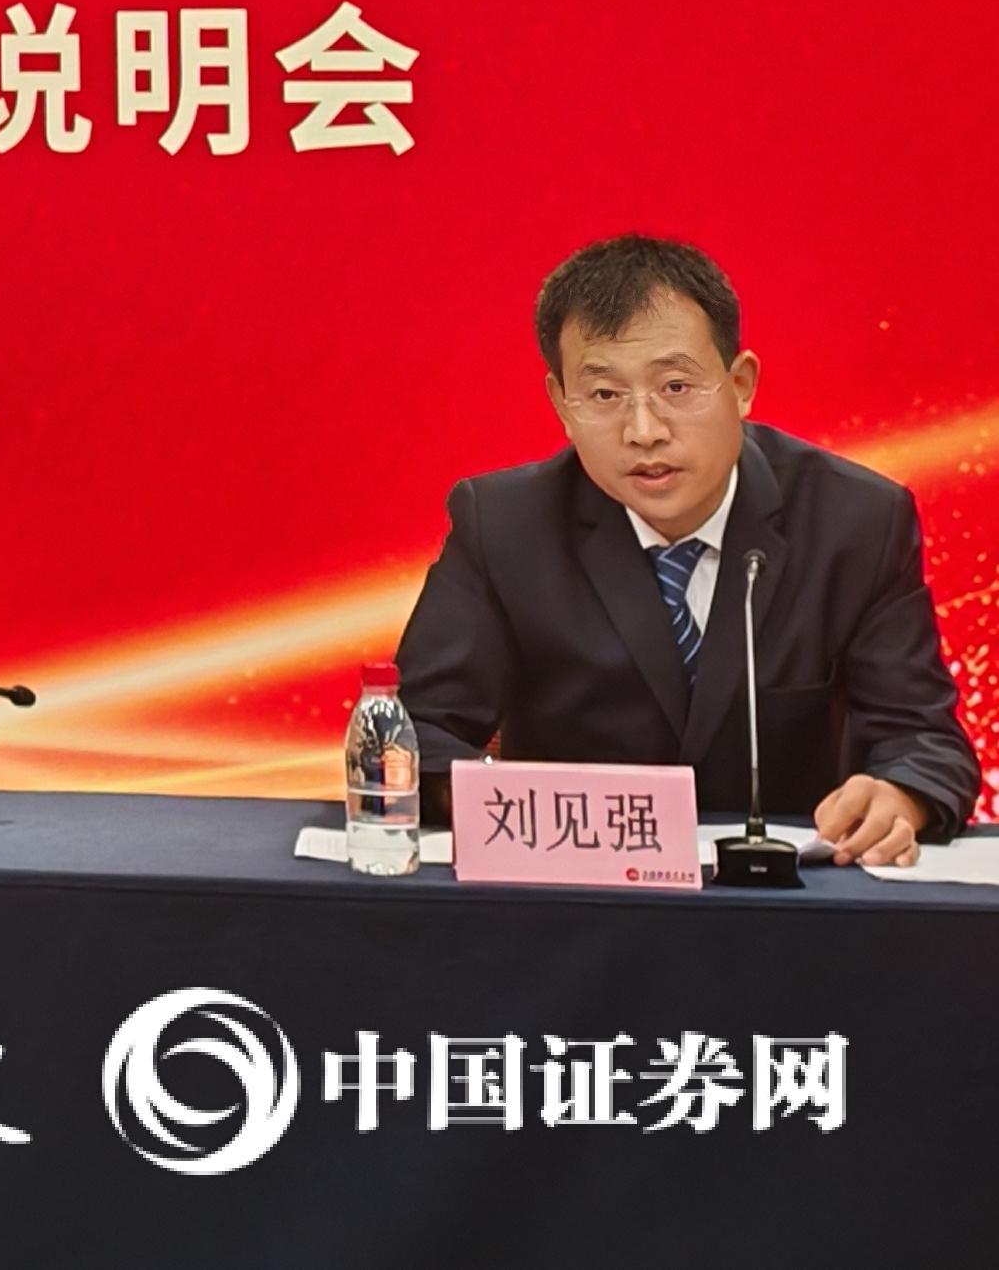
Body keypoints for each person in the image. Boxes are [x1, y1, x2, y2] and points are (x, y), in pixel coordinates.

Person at [397, 235, 978, 866]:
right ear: (561, 404)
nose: (644, 431)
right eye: (604, 395)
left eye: (675, 386)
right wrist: (512, 801)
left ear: (741, 384)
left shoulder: (855, 521)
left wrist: (900, 796)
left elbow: (924, 740)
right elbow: (413, 736)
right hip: (573, 891)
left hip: (787, 898)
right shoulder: (505, 526)